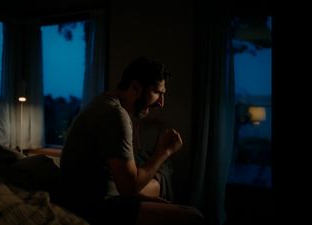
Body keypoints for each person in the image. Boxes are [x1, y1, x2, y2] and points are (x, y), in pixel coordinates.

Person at [59, 57, 204, 225]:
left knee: (161, 196)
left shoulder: (103, 102)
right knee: (193, 217)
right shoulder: (115, 114)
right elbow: (129, 188)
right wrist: (165, 152)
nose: (161, 103)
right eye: (157, 92)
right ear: (135, 87)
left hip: (94, 199)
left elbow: (120, 182)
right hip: (93, 208)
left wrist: (142, 199)